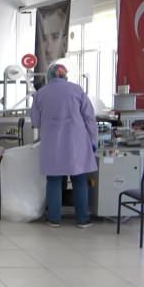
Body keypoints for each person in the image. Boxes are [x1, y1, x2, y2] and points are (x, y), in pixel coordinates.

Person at [30, 64, 97, 228]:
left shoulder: (40, 94)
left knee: (53, 179)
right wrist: (93, 141)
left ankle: (54, 218)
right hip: (76, 142)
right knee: (79, 179)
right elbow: (89, 118)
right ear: (65, 75)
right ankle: (82, 219)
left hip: (52, 143)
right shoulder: (77, 90)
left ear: (49, 76)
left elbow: (35, 122)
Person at [34, 2, 69, 88]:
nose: (48, 49)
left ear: (64, 43)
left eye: (55, 37)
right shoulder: (38, 87)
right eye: (44, 38)